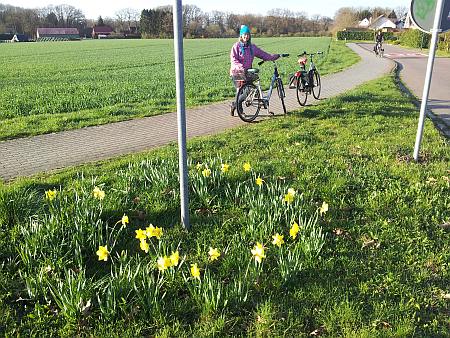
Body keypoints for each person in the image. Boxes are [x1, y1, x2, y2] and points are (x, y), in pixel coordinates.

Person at [229, 25, 280, 116]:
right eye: (244, 34)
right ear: (241, 35)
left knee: (248, 91)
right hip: (237, 72)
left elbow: (263, 54)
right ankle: (240, 110)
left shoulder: (252, 47)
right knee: (240, 91)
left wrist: (273, 57)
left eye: (248, 34)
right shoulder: (236, 46)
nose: (246, 36)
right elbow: (234, 60)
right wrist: (241, 68)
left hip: (248, 72)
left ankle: (234, 104)